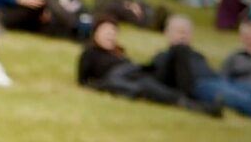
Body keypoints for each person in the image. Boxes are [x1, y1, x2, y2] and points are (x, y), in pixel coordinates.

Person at [150, 14, 251, 124]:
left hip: (219, 80)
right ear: (167, 32)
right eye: (179, 31)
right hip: (201, 85)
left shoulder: (196, 54)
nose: (183, 35)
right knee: (242, 99)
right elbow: (162, 79)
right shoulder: (164, 56)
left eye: (186, 32)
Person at [77, 15, 219, 115]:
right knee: (150, 87)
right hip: (131, 79)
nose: (110, 35)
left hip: (142, 72)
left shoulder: (119, 53)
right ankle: (195, 105)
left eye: (113, 31)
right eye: (106, 31)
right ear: (95, 33)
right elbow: (83, 80)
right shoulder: (91, 53)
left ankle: (191, 94)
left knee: (180, 49)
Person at [0, 0, 91, 40]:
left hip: (31, 16)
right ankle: (77, 27)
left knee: (51, 22)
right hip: (2, 14)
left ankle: (76, 30)